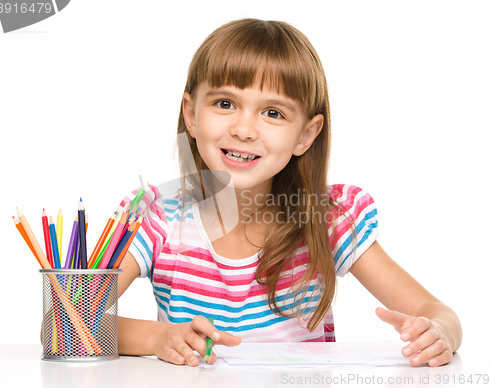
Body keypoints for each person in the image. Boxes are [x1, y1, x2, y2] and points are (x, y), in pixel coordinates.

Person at [116, 18, 462, 368]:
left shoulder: (328, 219)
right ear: (191, 114)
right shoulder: (156, 219)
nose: (243, 129)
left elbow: (437, 313)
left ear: (305, 135)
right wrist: (158, 337)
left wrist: (439, 332)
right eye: (224, 104)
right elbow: (65, 320)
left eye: (272, 113)